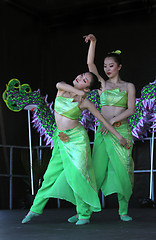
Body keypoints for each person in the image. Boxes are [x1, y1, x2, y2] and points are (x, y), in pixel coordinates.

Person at [21, 72, 130, 225]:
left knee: (78, 176)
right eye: (82, 75)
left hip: (77, 140)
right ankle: (34, 209)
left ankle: (84, 215)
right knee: (50, 175)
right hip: (60, 139)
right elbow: (59, 83)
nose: (80, 77)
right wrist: (79, 92)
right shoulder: (63, 89)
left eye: (84, 80)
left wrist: (119, 137)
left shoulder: (84, 102)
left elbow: (103, 120)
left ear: (87, 88)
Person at [84, 34, 136, 221]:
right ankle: (85, 211)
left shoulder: (128, 86)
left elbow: (131, 109)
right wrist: (94, 42)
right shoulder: (102, 84)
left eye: (111, 66)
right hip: (103, 133)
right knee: (95, 172)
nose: (107, 69)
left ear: (119, 67)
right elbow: (91, 65)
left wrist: (112, 121)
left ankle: (123, 211)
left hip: (120, 131)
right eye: (105, 66)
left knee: (123, 170)